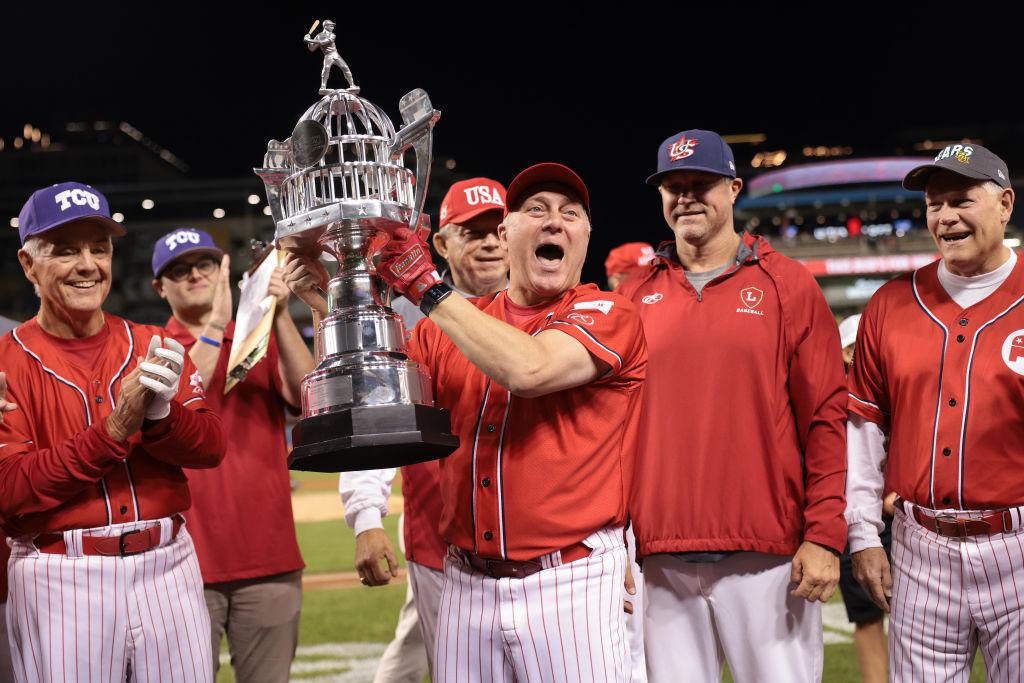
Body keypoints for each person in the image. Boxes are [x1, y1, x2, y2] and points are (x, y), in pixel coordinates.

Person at [288, 163, 646, 682]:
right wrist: (330, 302)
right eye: (536, 211)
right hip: (463, 582)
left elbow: (530, 368)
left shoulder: (608, 312)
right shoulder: (448, 331)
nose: (554, 223)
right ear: (508, 233)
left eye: (571, 214)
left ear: (586, 237)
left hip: (569, 580)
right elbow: (370, 401)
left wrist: (428, 289)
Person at [619, 129, 848, 683]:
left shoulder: (787, 285)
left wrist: (823, 534)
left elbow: (825, 417)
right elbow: (611, 431)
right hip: (661, 559)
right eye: (674, 186)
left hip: (767, 557)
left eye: (701, 183)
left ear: (734, 189)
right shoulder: (632, 296)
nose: (687, 197)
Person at [0, 181, 225, 682]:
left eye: (98, 248)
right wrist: (116, 430)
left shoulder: (153, 342)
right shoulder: (5, 362)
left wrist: (165, 418)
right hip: (59, 575)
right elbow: (10, 489)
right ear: (28, 264)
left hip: (168, 567)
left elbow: (211, 448)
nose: (87, 265)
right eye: (65, 250)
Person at [847, 142, 1024, 681]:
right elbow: (864, 427)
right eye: (934, 204)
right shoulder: (891, 303)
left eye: (962, 200)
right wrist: (861, 534)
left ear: (1005, 204)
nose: (945, 217)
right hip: (920, 547)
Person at [328, 177, 508, 682]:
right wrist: (366, 517)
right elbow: (379, 424)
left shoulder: (549, 313)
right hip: (440, 548)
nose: (491, 242)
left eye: (498, 228)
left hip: (541, 547)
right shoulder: (412, 329)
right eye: (473, 233)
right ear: (442, 244)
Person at [151, 228, 312, 682]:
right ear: (159, 288)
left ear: (221, 270)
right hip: (181, 567)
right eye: (178, 270)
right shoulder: (152, 347)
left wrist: (277, 313)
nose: (194, 276)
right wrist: (219, 324)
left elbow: (307, 399)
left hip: (269, 558)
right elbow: (177, 400)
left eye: (203, 265)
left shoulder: (253, 341)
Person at [835, 313, 892, 683]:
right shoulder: (831, 401)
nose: (863, 356)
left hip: (905, 518)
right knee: (868, 618)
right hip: (852, 520)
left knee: (924, 620)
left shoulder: (903, 387)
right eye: (855, 349)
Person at [304, 19, 357, 93]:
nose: (333, 27)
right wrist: (308, 41)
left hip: (335, 54)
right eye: (331, 26)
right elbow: (311, 49)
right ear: (326, 26)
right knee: (326, 69)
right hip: (327, 56)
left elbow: (323, 43)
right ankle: (323, 87)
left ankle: (352, 85)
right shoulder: (318, 36)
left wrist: (309, 40)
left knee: (345, 67)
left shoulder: (332, 35)